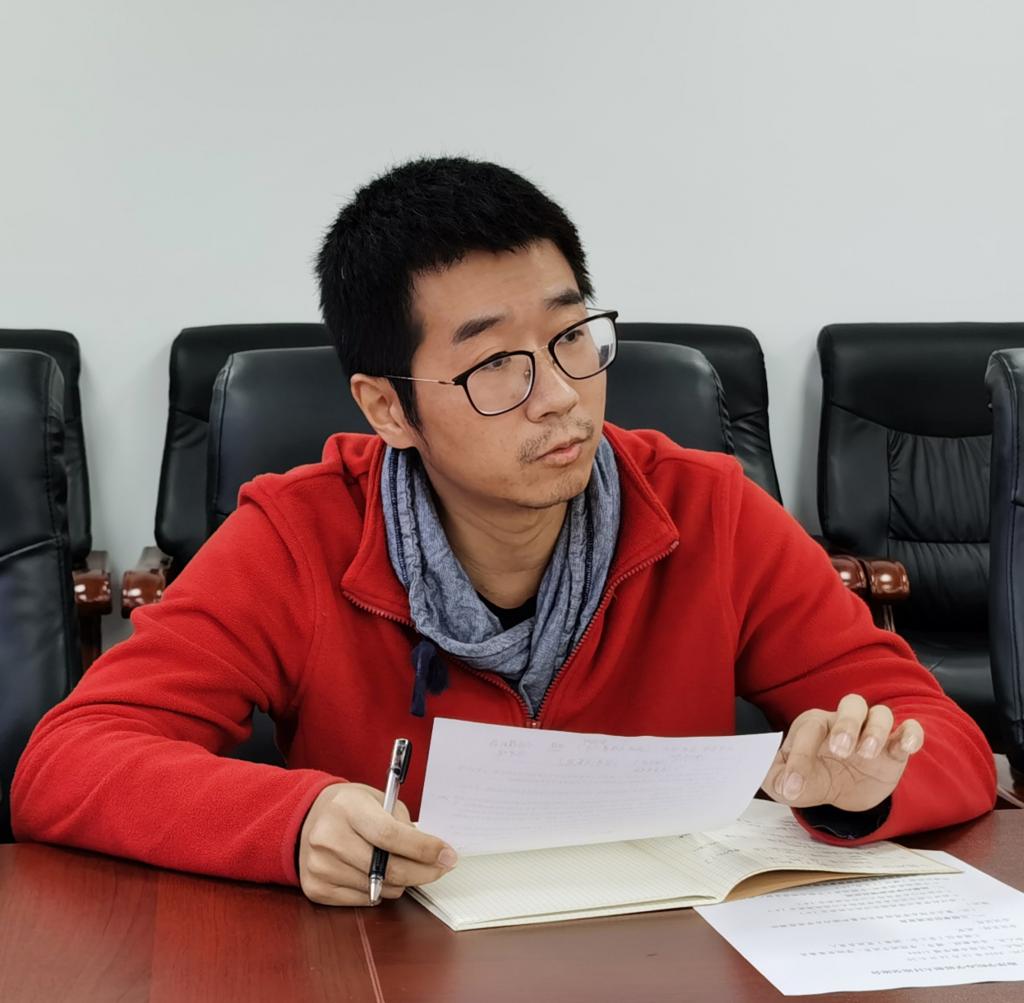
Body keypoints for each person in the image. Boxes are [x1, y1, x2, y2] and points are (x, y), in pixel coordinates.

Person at [11, 157, 994, 907]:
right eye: (494, 366)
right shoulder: (301, 534)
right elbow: (68, 760)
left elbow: (943, 737)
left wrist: (860, 786)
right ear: (387, 408)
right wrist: (292, 819)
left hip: (663, 950)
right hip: (396, 961)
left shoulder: (707, 509)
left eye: (572, 336)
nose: (560, 395)